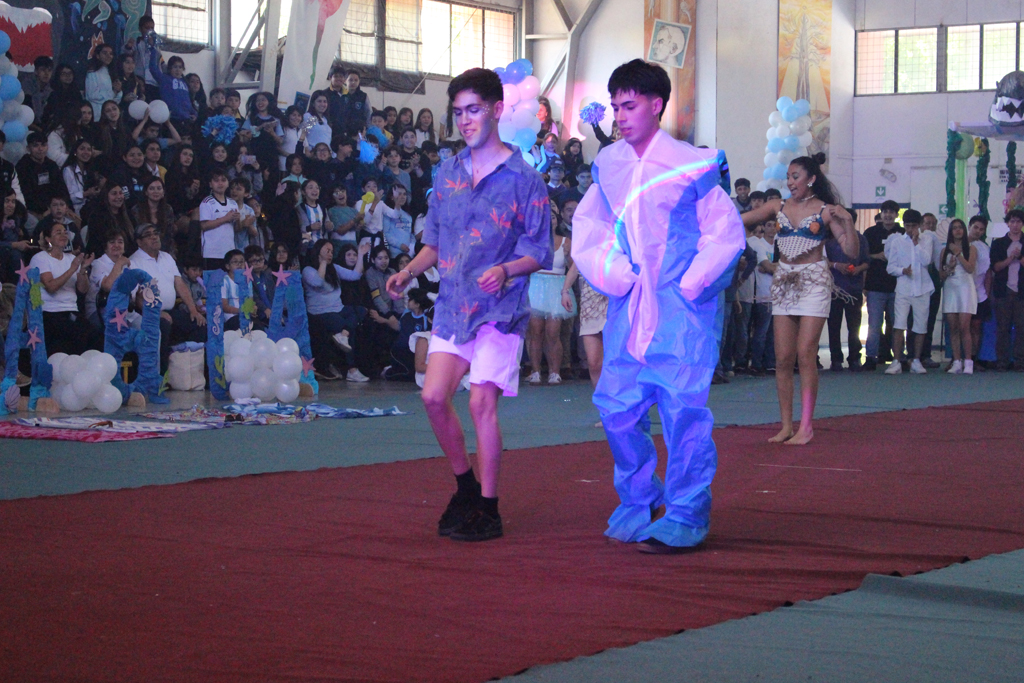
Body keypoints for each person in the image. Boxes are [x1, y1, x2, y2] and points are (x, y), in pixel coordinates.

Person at [571, 59, 745, 552]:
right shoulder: (610, 166)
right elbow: (590, 227)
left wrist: (692, 283)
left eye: (630, 105)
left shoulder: (693, 164)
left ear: (656, 105)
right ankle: (639, 498)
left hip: (680, 313)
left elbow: (724, 232)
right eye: (616, 107)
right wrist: (612, 272)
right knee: (617, 408)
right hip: (629, 307)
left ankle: (687, 511)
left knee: (682, 412)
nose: (621, 116)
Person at [385, 67, 552, 543]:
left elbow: (539, 250)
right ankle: (465, 488)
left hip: (500, 310)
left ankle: (489, 509)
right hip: (453, 306)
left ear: (497, 110)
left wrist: (506, 269)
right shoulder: (448, 172)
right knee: (433, 397)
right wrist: (408, 271)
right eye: (458, 112)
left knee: (481, 403)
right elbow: (434, 242)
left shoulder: (525, 179)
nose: (465, 120)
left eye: (473, 110)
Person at [742, 154, 858, 444]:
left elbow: (851, 251)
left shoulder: (826, 211)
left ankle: (806, 426)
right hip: (785, 281)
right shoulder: (777, 206)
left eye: (796, 177)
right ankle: (786, 426)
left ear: (811, 179)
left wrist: (848, 222)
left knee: (805, 353)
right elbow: (740, 219)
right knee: (783, 358)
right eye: (788, 177)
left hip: (813, 282)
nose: (791, 182)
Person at [130, 222, 205, 371]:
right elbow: (136, 298)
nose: (154, 237)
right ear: (139, 242)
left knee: (200, 324)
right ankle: (162, 376)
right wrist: (156, 313)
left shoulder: (167, 257)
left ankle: (191, 372)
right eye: (148, 235)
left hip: (170, 310)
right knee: (162, 326)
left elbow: (180, 285)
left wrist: (193, 310)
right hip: (148, 313)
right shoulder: (133, 261)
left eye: (155, 233)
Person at [302, 238, 371, 381]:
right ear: (318, 251)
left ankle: (344, 333)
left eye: (332, 251)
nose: (330, 254)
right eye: (327, 251)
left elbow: (355, 275)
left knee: (361, 311)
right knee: (344, 325)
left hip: (338, 308)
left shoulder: (334, 268)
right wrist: (322, 262)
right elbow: (317, 282)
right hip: (320, 312)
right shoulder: (308, 270)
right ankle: (352, 369)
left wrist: (360, 255)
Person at [883, 209, 939, 375]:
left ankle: (916, 360)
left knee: (920, 326)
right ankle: (896, 361)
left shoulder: (927, 239)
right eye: (907, 226)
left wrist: (916, 243)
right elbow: (890, 267)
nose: (910, 229)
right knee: (899, 325)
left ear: (920, 225)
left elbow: (926, 261)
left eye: (914, 226)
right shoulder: (897, 241)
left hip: (922, 288)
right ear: (903, 225)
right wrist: (902, 271)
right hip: (903, 289)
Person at [29, 222, 92, 356]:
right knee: (75, 334)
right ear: (48, 238)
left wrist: (83, 270)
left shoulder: (71, 258)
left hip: (71, 310)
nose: (63, 235)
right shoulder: (40, 258)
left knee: (94, 335)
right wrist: (72, 269)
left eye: (65, 232)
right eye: (58, 232)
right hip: (49, 311)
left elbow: (83, 289)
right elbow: (51, 287)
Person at [526, 217, 574, 385]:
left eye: (552, 216)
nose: (548, 219)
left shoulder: (566, 242)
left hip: (557, 286)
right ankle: (535, 371)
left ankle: (555, 372)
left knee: (553, 332)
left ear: (556, 220)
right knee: (535, 332)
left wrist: (567, 257)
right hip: (536, 285)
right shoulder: (532, 241)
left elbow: (573, 268)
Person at [863, 200, 904, 370]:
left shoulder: (902, 233)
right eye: (885, 211)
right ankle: (871, 357)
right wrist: (876, 255)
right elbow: (862, 256)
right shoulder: (870, 232)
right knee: (874, 324)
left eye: (891, 212)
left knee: (897, 324)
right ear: (881, 214)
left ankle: (898, 358)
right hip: (875, 286)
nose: (888, 215)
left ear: (896, 215)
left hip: (898, 287)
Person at [825, 216, 869, 371]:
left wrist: (858, 269)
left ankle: (854, 358)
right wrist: (836, 265)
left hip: (854, 288)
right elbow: (822, 261)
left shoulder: (860, 239)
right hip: (834, 290)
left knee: (854, 327)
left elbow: (866, 262)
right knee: (834, 326)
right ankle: (836, 359)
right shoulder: (829, 241)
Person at [939, 218, 978, 374]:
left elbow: (970, 268)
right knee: (953, 328)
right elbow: (941, 276)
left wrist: (958, 254)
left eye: (960, 227)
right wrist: (949, 267)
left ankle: (968, 362)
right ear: (951, 231)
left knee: (964, 327)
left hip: (965, 288)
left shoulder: (971, 248)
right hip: (951, 288)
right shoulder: (944, 251)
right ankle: (956, 361)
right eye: (954, 228)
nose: (957, 230)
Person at [989, 208, 1024, 370]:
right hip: (1003, 291)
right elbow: (996, 267)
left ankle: (1020, 361)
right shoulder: (998, 243)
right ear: (1008, 224)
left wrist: (1020, 257)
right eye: (1012, 221)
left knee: (1021, 327)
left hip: (1021, 291)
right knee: (1003, 327)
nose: (1015, 225)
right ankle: (1002, 361)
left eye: (1018, 221)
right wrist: (1010, 258)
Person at [17, 132, 68, 217]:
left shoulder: (51, 165)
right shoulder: (22, 167)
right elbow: (26, 194)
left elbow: (61, 188)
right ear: (28, 148)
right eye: (35, 146)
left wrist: (62, 206)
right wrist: (45, 210)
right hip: (32, 210)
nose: (40, 149)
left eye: (43, 145)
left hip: (55, 207)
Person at [198, 170, 239, 270]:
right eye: (216, 180)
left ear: (228, 183)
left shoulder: (233, 203)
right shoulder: (206, 202)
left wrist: (238, 220)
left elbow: (236, 229)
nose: (220, 183)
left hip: (229, 251)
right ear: (210, 184)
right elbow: (204, 225)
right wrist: (225, 218)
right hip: (212, 253)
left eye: (223, 180)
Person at [968, 215, 992, 369]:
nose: (978, 231)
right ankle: (958, 359)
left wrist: (987, 293)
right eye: (975, 227)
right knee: (961, 327)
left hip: (979, 294)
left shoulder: (984, 248)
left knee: (976, 327)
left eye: (981, 229)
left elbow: (988, 273)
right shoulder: (958, 245)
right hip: (962, 293)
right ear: (969, 226)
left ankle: (973, 359)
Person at [85, 43, 121, 120]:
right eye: (105, 53)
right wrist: (113, 93)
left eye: (111, 54)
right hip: (97, 114)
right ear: (97, 55)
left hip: (111, 116)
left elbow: (115, 99)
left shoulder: (111, 72)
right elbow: (92, 95)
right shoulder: (92, 73)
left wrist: (118, 91)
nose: (109, 56)